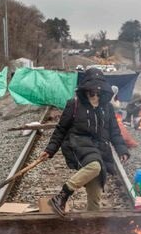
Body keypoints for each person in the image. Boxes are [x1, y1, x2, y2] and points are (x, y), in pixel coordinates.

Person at [39, 68, 130, 216]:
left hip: (100, 149)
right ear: (85, 88)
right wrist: (50, 150)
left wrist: (122, 150)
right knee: (95, 166)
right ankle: (63, 195)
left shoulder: (107, 107)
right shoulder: (74, 104)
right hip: (78, 144)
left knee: (95, 197)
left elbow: (114, 131)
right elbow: (61, 129)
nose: (95, 93)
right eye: (92, 90)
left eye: (98, 90)